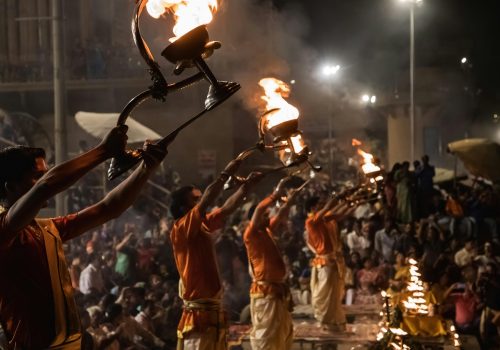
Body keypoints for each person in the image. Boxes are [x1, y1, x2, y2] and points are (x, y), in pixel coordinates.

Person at [0, 126, 167, 349]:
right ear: (10, 187)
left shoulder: (47, 229)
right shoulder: (3, 231)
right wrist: (102, 151)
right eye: (37, 175)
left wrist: (147, 168)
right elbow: (45, 187)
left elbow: (108, 207)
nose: (46, 178)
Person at [169, 158, 259, 350]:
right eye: (195, 199)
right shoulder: (181, 228)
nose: (200, 201)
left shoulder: (202, 223)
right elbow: (208, 199)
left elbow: (226, 209)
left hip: (211, 309)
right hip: (199, 314)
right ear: (184, 208)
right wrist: (226, 172)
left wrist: (246, 188)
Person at [244, 179, 299, 349]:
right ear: (256, 218)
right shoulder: (251, 234)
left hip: (276, 291)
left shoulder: (266, 230)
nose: (269, 217)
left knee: (282, 332)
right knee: (266, 335)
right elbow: (260, 208)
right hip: (265, 292)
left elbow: (282, 213)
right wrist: (277, 190)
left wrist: (290, 200)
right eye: (266, 216)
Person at [305, 194, 353, 330]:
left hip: (334, 261)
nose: (323, 205)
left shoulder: (326, 219)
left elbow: (340, 214)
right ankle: (325, 322)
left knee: (334, 294)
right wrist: (335, 200)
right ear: (313, 207)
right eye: (320, 203)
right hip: (325, 263)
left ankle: (334, 324)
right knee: (325, 294)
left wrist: (351, 203)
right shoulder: (310, 221)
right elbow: (328, 209)